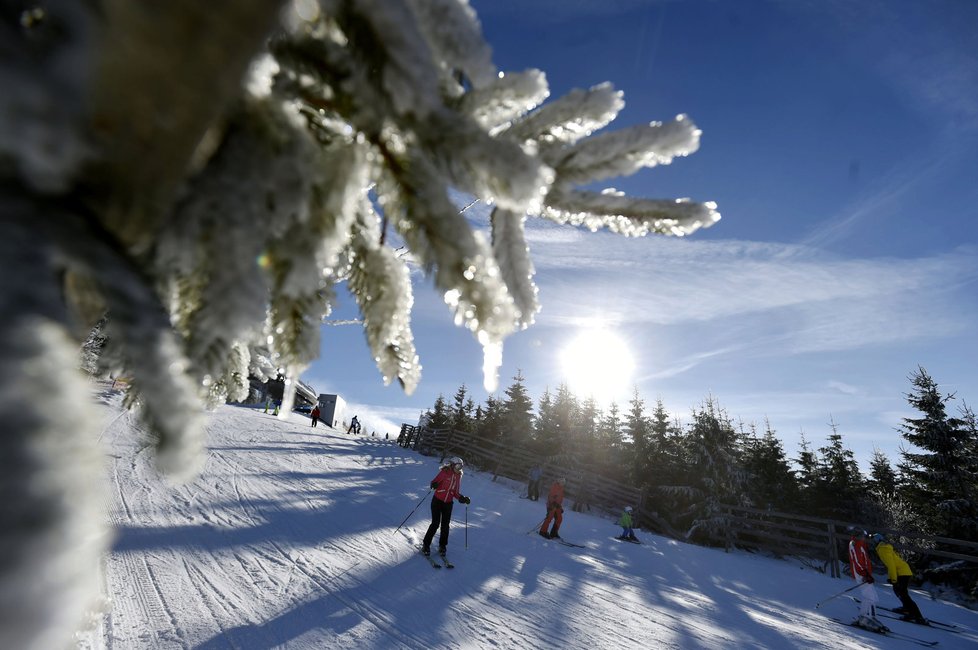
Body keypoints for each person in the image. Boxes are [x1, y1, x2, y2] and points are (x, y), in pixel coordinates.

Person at [871, 533, 926, 624]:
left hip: (902, 573)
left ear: (877, 541)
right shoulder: (884, 547)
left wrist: (893, 579)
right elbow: (891, 564)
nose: (873, 543)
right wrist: (892, 578)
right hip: (903, 571)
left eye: (873, 541)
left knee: (903, 594)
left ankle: (917, 616)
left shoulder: (883, 549)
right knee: (898, 590)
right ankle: (906, 608)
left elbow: (891, 565)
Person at [422, 457, 470, 556]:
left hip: (448, 503)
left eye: (461, 466)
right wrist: (434, 485)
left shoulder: (458, 476)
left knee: (445, 526)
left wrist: (462, 498)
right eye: (458, 466)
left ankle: (442, 546)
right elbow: (433, 482)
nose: (459, 468)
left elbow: (455, 492)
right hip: (437, 501)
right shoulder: (445, 472)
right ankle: (426, 545)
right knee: (435, 524)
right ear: (453, 465)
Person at [849, 528, 885, 632]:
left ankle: (864, 617)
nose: (864, 537)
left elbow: (866, 538)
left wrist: (871, 536)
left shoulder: (859, 543)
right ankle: (868, 618)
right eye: (862, 536)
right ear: (858, 536)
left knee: (869, 596)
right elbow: (858, 562)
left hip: (864, 573)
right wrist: (865, 574)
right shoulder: (856, 545)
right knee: (871, 597)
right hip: (862, 574)